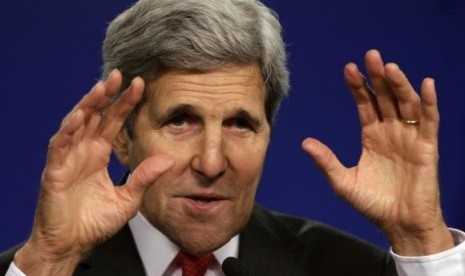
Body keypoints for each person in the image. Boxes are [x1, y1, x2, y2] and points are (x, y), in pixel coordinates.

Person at [1, 0, 464, 275]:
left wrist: (421, 239)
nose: (211, 161)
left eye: (240, 124)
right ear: (122, 137)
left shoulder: (355, 270)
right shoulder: (35, 269)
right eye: (181, 121)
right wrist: (51, 262)